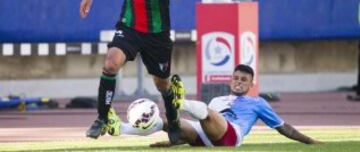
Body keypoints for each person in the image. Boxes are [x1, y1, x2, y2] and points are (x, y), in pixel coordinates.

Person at [79, 0, 183, 144]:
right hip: (130, 26)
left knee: (162, 83)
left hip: (157, 33)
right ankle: (101, 118)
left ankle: (174, 123)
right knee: (110, 63)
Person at [107, 64, 322, 147]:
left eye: (243, 79)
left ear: (251, 83)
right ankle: (120, 128)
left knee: (206, 113)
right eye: (236, 78)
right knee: (164, 122)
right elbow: (201, 131)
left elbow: (283, 127)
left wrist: (309, 141)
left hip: (230, 135)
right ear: (231, 79)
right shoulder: (218, 99)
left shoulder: (258, 103)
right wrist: (173, 141)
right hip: (205, 137)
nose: (238, 81)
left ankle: (180, 101)